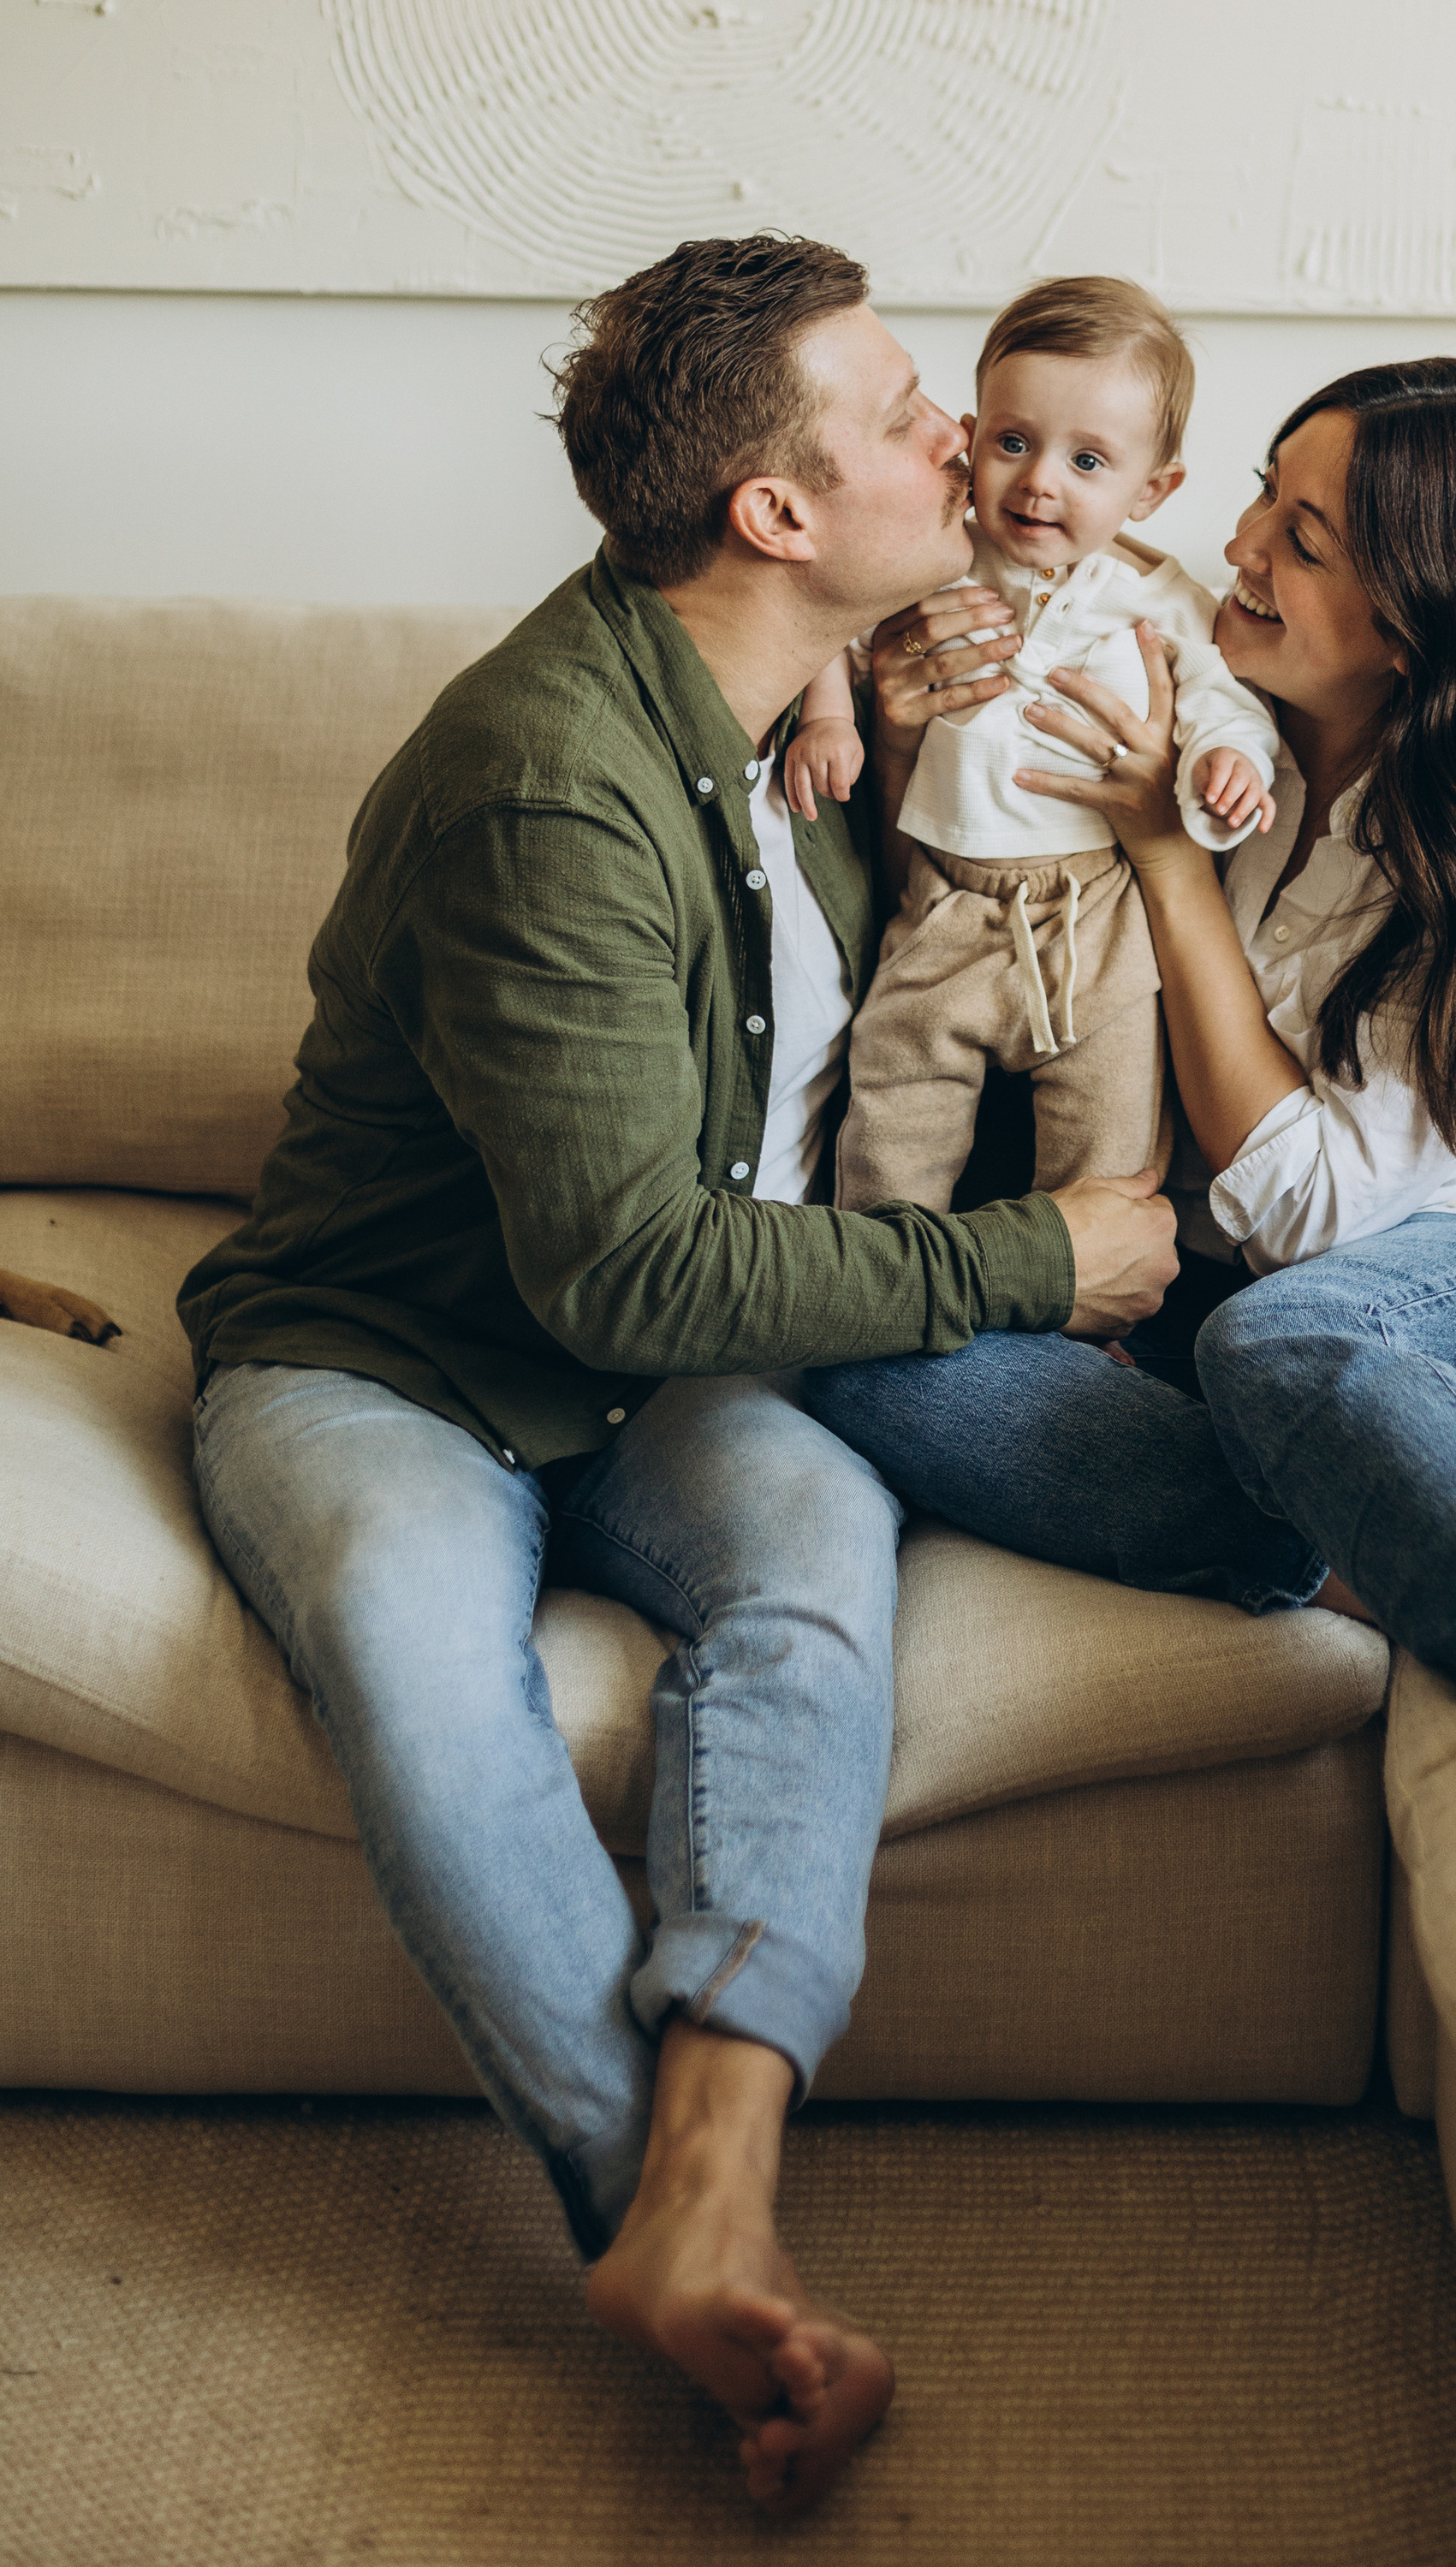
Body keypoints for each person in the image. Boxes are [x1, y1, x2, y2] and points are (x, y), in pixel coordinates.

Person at [175, 235, 1177, 2516]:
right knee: (423, 1654)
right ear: (777, 516)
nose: (965, 441)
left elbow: (1093, 633)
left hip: (645, 1369)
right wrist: (1039, 1257)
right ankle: (677, 2232)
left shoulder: (807, 693)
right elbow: (630, 1269)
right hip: (394, 1358)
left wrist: (850, 709)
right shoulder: (553, 784)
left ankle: (719, 2174)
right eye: (913, 409)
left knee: (816, 1554)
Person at [814, 362, 1456, 1837]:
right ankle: (1354, 1543)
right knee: (850, 1346)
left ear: (1418, 625)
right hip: (1232, 1318)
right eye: (1268, 487)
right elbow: (970, 938)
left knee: (1289, 1329)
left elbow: (1314, 1219)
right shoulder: (1187, 702)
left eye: (1307, 540)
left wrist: (1164, 854)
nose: (1247, 544)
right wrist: (900, 742)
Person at [786, 276, 1277, 1211]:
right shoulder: (931, 556)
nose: (1040, 479)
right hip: (943, 901)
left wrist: (1230, 759)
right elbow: (824, 616)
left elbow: (1223, 698)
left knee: (1110, 1138)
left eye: (1089, 462)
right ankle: (883, 1291)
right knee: (895, 1111)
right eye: (1014, 443)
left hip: (1099, 911)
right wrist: (828, 717)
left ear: (1152, 489)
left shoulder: (1161, 598)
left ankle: (1094, 1335)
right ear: (970, 439)